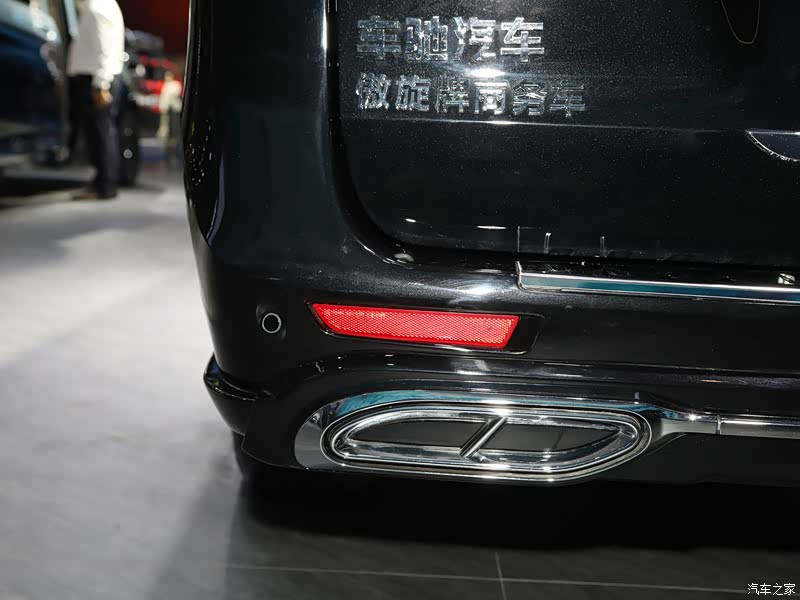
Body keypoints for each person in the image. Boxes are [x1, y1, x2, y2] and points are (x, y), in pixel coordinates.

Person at [67, 0, 125, 200]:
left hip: (96, 80)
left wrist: (101, 84)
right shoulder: (102, 5)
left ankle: (105, 185)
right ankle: (102, 181)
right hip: (96, 78)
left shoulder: (98, 8)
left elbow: (104, 49)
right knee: (99, 133)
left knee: (101, 133)